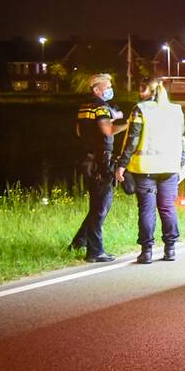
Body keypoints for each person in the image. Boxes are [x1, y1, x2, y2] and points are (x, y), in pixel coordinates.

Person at [114, 79, 185, 264]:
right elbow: (182, 139)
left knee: (147, 210)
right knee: (168, 208)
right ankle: (170, 249)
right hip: (170, 168)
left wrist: (122, 164)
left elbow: (132, 139)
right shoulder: (176, 110)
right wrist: (182, 165)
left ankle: (146, 252)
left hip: (145, 169)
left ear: (149, 91)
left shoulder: (141, 109)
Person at [71, 73, 127, 262]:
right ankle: (95, 251)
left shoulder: (85, 106)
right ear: (96, 89)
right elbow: (108, 130)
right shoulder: (101, 106)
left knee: (97, 205)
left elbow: (78, 131)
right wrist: (128, 124)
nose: (110, 89)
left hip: (87, 159)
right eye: (107, 86)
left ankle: (79, 242)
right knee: (101, 207)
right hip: (101, 161)